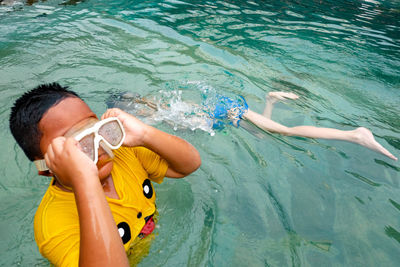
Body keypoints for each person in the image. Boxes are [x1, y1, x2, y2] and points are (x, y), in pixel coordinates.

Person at [9, 83, 201, 267]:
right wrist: (83, 179)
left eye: (94, 128)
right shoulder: (52, 223)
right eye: (78, 144)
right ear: (46, 167)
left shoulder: (125, 154)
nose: (99, 145)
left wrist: (144, 135)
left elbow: (188, 165)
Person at [109, 91, 397, 161]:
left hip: (227, 111)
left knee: (286, 132)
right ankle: (272, 98)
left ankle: (355, 135)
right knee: (262, 135)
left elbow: (149, 123)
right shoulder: (160, 108)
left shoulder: (157, 115)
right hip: (226, 112)